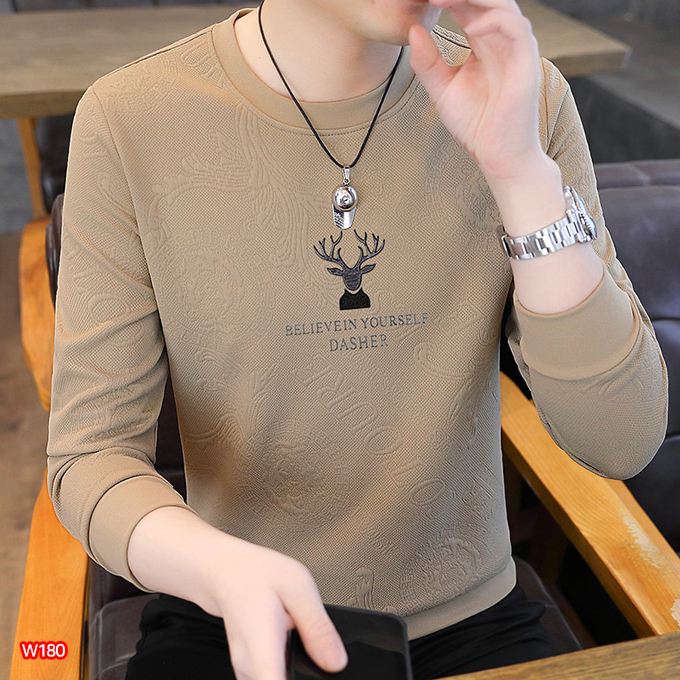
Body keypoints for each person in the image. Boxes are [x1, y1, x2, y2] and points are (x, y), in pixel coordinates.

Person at [46, 0, 668, 678]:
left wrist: (521, 176)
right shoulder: (130, 118)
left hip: (473, 622)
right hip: (229, 614)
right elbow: (93, 454)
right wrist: (214, 566)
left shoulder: (526, 97)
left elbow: (621, 438)